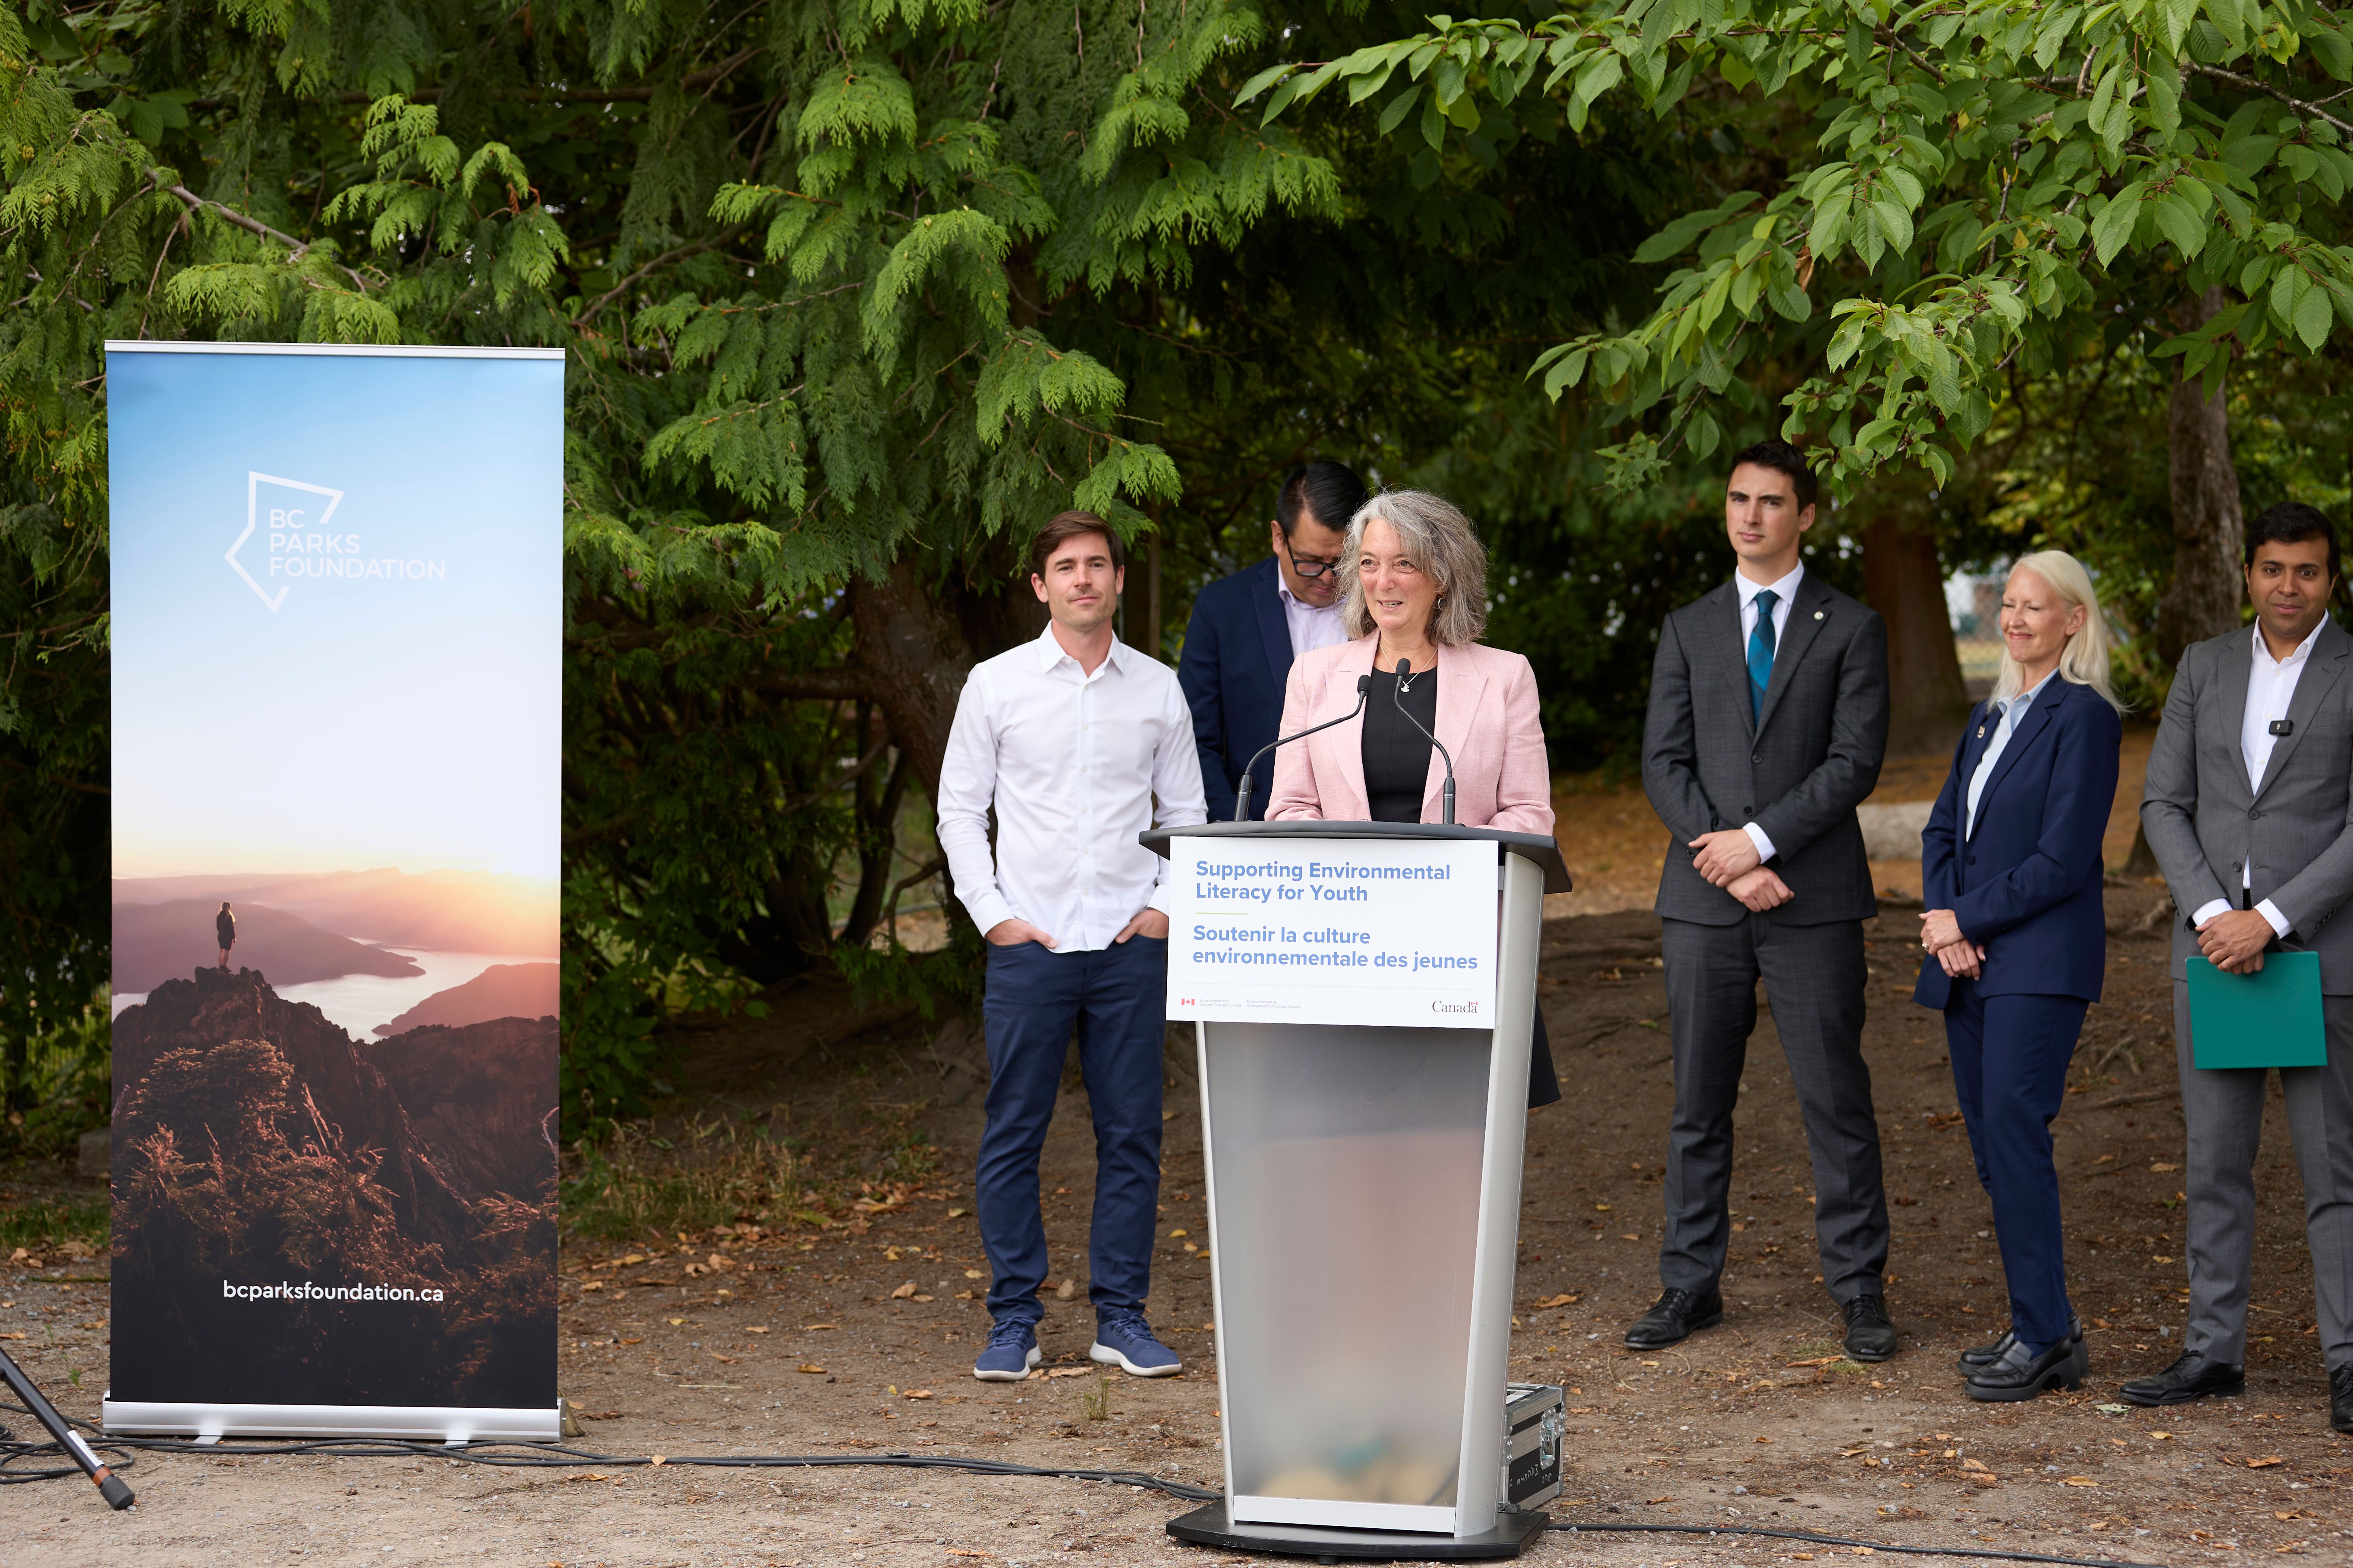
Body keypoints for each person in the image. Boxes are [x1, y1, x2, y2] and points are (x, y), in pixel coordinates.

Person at [1633, 438, 1896, 1361]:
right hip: (1703, 904)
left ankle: (1860, 1289)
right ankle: (1688, 1284)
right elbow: (1660, 762)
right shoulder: (1686, 626)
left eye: (1771, 501)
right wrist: (1730, 858)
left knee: (1835, 1099)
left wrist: (1763, 840)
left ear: (1807, 514)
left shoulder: (1851, 626)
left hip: (1811, 901)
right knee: (1697, 1103)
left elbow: (1852, 762)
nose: (1750, 516)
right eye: (1738, 499)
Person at [936, 510, 1209, 1384]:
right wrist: (994, 916)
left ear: (1119, 580)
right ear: (1039, 584)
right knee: (1013, 1131)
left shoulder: (1157, 688)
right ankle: (1014, 1319)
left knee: (1131, 1133)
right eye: (1066, 566)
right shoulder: (996, 685)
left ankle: (1119, 1318)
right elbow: (956, 812)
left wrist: (1166, 909)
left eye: (1098, 564)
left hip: (1129, 945)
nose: (1083, 578)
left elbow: (1188, 816)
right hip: (1031, 946)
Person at [2132, 500, 2353, 1432]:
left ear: (2330, 580)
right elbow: (2161, 803)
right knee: (2215, 1163)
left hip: (2320, 955)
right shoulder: (2204, 665)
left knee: (2332, 1169)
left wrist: (2268, 916)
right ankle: (2211, 1350)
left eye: (2305, 571)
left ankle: (2347, 1363)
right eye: (2271, 569)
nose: (2287, 587)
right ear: (2247, 574)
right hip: (2214, 958)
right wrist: (2215, 914)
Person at [1264, 488, 1561, 1107]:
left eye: (1403, 563)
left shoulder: (1506, 676)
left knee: (1461, 1140)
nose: (1383, 580)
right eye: (1368, 563)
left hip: (1462, 949)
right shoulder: (1315, 678)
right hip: (1349, 947)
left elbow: (1529, 813)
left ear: (1444, 575)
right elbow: (1289, 809)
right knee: (1356, 1130)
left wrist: (1441, 880)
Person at [1914, 551, 2125, 1401]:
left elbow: (2062, 859)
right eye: (2008, 603)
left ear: (2072, 620)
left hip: (2039, 962)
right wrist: (1944, 924)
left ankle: (2042, 1335)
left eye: (2035, 606)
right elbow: (1939, 831)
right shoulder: (1987, 715)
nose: (2015, 618)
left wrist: (1967, 917)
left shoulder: (2084, 717)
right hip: (1969, 963)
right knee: (1992, 1143)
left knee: (2012, 1128)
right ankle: (2042, 1323)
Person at [1179, 461, 1367, 821]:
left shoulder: (1386, 612)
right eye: (1310, 562)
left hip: (1369, 838)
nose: (1328, 578)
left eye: (1342, 561)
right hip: (1252, 837)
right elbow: (1197, 741)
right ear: (1278, 537)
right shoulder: (1222, 609)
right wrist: (1232, 826)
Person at [216, 902, 236, 970]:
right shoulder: (229, 917)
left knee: (222, 951)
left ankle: (221, 965)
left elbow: (218, 927)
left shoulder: (219, 917)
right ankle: (224, 966)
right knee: (227, 952)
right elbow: (231, 928)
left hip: (220, 936)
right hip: (228, 937)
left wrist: (221, 933)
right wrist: (234, 937)